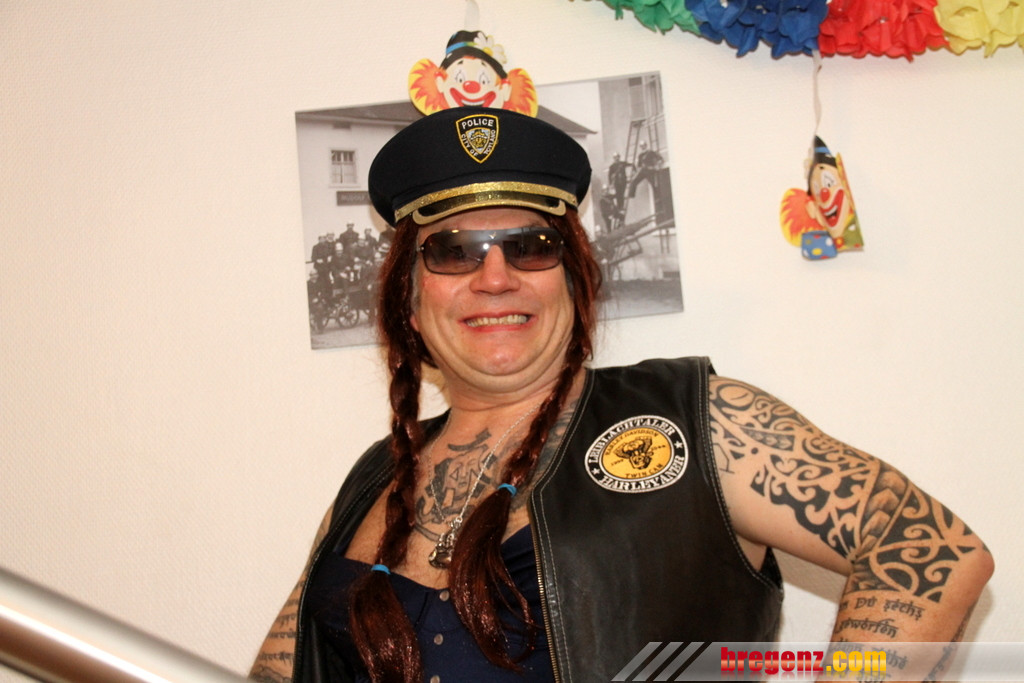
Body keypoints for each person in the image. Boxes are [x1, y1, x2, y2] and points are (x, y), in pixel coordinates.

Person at [251, 107, 993, 683]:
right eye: (453, 251)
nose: (496, 276)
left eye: (531, 246)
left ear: (575, 283)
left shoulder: (698, 418)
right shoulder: (372, 478)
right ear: (410, 303)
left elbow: (931, 549)